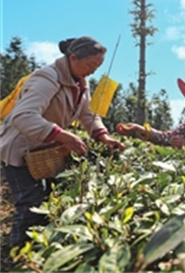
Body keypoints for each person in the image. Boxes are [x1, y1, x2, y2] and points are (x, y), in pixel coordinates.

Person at [0, 36, 126, 247]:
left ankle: (38, 248)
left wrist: (103, 136)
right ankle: (17, 253)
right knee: (31, 202)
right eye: (90, 64)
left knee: (49, 200)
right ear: (73, 57)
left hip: (43, 151)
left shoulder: (81, 84)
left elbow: (89, 115)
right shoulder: (47, 78)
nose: (93, 70)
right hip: (18, 149)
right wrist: (62, 134)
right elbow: (22, 117)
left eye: (98, 66)